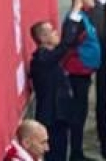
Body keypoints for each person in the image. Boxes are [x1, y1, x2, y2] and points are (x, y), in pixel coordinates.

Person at [61, 0, 104, 161]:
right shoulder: (75, 19)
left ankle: (78, 151)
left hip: (85, 74)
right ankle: (75, 154)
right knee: (77, 115)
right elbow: (69, 39)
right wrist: (76, 8)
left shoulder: (86, 17)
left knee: (83, 113)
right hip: (76, 75)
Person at [32, 20, 75, 161]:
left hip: (60, 115)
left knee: (62, 152)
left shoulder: (49, 58)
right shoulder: (42, 58)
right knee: (54, 154)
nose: (57, 34)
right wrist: (73, 17)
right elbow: (65, 46)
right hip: (51, 117)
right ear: (43, 38)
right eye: (53, 31)